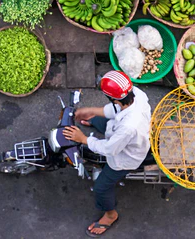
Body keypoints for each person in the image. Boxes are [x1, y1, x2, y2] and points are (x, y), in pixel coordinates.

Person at [63, 71, 152, 237]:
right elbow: (115, 109)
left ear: (114, 99)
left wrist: (83, 139)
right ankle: (94, 120)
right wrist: (92, 111)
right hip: (123, 132)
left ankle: (111, 216)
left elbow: (110, 149)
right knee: (103, 120)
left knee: (101, 188)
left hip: (126, 157)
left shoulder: (128, 127)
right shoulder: (136, 94)